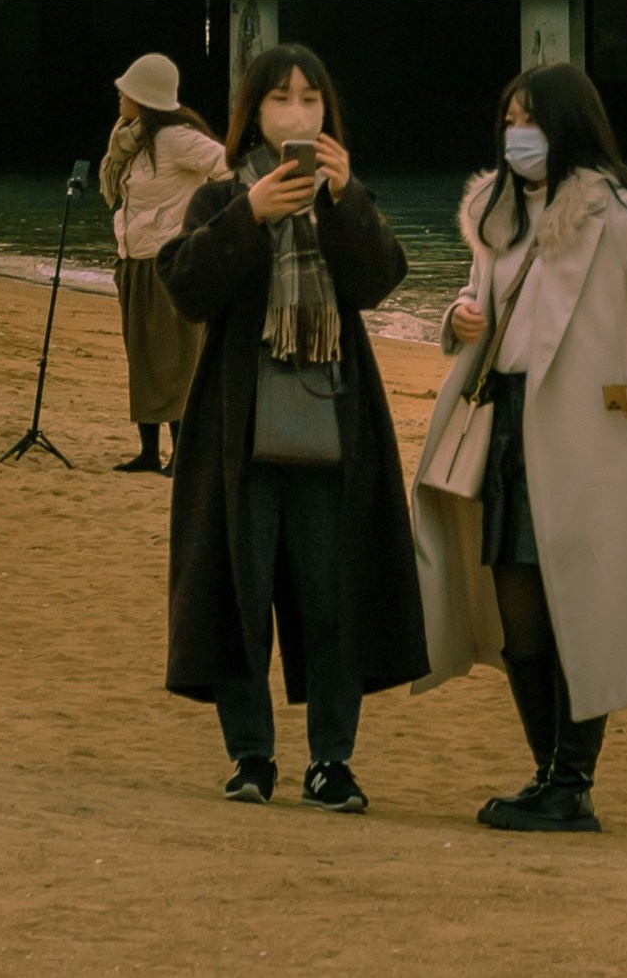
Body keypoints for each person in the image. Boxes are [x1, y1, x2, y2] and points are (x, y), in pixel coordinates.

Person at [416, 62, 627, 834]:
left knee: (581, 605)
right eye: (511, 116)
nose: (519, 132)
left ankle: (573, 782)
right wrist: (458, 317)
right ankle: (549, 771)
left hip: (584, 437)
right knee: (519, 616)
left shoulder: (609, 212)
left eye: (533, 118)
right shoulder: (496, 208)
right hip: (506, 427)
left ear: (567, 125)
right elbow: (480, 296)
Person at [155, 41, 430, 808]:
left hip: (333, 431)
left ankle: (330, 761)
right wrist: (249, 215)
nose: (297, 113)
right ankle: (252, 756)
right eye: (282, 99)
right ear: (254, 112)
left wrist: (344, 202)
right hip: (239, 434)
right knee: (241, 591)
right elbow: (186, 285)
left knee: (332, 594)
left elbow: (380, 279)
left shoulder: (345, 194)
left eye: (311, 100)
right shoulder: (221, 196)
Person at [100, 49, 229, 476]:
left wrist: (201, 225)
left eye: (127, 89)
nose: (119, 93)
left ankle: (182, 456)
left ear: (144, 96)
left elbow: (229, 169)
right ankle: (148, 453)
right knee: (143, 358)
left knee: (176, 362)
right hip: (133, 263)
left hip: (169, 263)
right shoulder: (131, 139)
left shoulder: (176, 139)